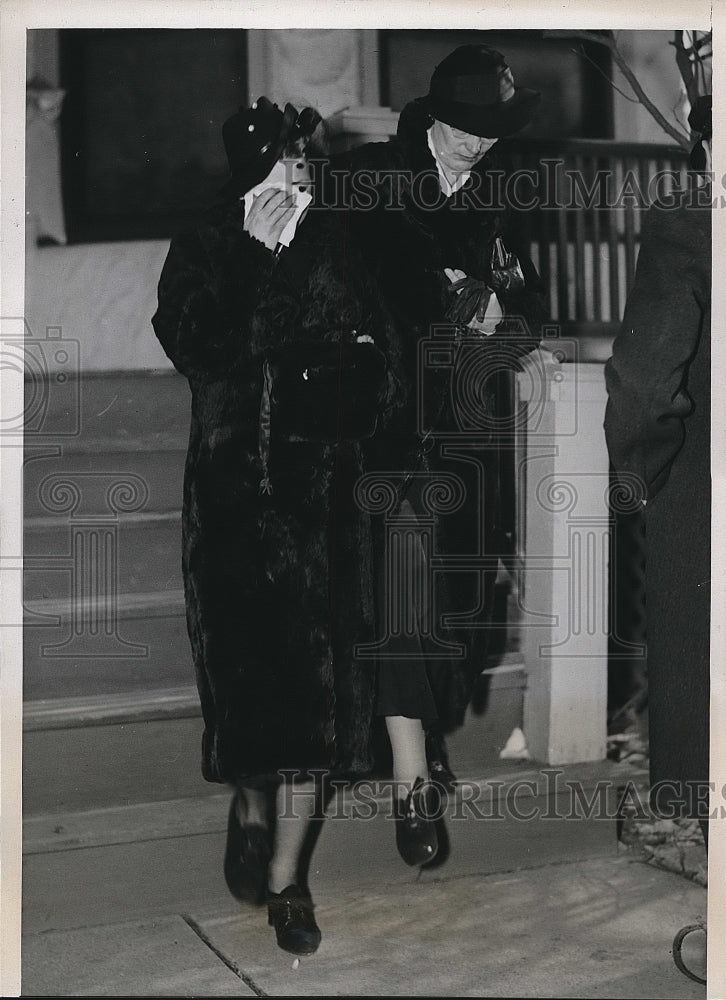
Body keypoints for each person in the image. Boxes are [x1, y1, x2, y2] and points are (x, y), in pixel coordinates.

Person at [151, 95, 452, 957]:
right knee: (253, 701)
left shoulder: (338, 238)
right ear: (251, 170)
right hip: (236, 503)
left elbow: (386, 347)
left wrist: (382, 421)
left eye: (303, 160)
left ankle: (289, 883)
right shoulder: (209, 243)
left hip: (327, 500)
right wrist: (251, 258)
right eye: (285, 161)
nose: (300, 174)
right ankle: (246, 808)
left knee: (316, 709)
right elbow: (197, 347)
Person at [327, 44, 548, 785]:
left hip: (467, 430)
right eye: (466, 127)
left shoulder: (501, 195)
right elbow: (358, 287)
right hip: (389, 425)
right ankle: (410, 771)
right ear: (435, 115)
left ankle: (423, 738)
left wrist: (501, 320)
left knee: (455, 600)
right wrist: (449, 295)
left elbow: (528, 309)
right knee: (399, 594)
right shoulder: (371, 180)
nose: (480, 142)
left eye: (492, 130)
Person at [604, 95, 711, 985]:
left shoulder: (692, 216)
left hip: (707, 487)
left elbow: (647, 378)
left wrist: (637, 473)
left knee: (693, 645)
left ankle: (689, 821)